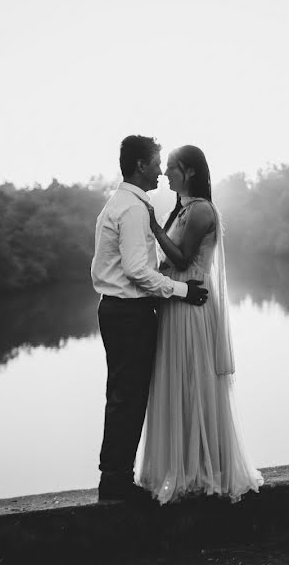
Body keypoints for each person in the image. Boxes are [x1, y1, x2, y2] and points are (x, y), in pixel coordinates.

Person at [136, 145, 263, 504]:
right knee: (179, 380)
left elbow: (182, 257)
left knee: (194, 379)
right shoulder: (184, 210)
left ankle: (205, 467)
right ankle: (184, 465)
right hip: (177, 302)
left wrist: (152, 227)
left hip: (193, 304)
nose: (166, 174)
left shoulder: (202, 209)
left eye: (172, 168)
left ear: (189, 172)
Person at [91, 135, 209, 503]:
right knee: (128, 396)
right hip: (128, 313)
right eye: (157, 162)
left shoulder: (127, 203)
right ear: (141, 165)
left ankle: (115, 475)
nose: (161, 170)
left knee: (124, 395)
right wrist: (182, 291)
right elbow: (138, 270)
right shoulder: (131, 208)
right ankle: (115, 481)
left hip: (120, 310)